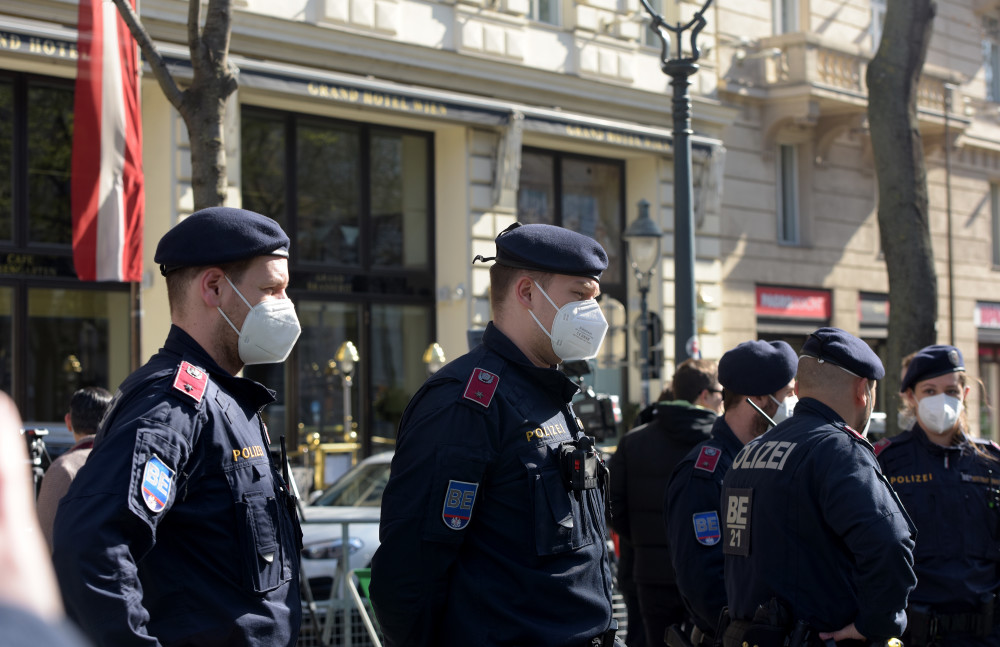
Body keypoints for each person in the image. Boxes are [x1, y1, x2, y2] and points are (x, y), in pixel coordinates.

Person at [52, 207, 304, 647]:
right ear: (213, 287)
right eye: (271, 289)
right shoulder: (173, 403)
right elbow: (90, 546)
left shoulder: (225, 399)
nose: (285, 306)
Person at [371, 222, 621, 647]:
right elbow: (408, 575)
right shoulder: (464, 404)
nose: (592, 315)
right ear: (526, 292)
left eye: (594, 300)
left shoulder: (550, 393)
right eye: (579, 296)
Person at [721, 327, 916, 647]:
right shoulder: (839, 449)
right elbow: (891, 543)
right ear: (863, 390)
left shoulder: (748, 453)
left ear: (798, 388)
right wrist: (877, 623)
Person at [664, 339, 797, 645]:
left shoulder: (767, 460)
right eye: (788, 393)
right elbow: (703, 579)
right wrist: (746, 634)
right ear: (760, 398)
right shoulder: (705, 473)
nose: (795, 402)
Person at [875, 344, 1000, 646]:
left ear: (965, 395)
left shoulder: (992, 463)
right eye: (929, 391)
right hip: (914, 635)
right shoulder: (885, 461)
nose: (941, 400)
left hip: (986, 635)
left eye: (951, 391)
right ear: (910, 397)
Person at [609, 359, 721, 647]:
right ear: (704, 395)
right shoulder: (720, 442)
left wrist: (644, 540)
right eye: (720, 394)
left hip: (649, 573)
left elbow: (612, 506)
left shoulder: (634, 441)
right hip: (707, 571)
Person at [36, 386, 113, 550]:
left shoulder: (63, 469)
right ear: (111, 420)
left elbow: (45, 543)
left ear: (68, 422)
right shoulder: (126, 463)